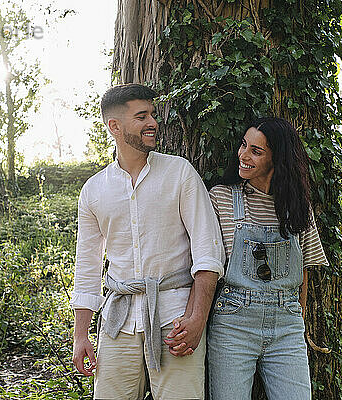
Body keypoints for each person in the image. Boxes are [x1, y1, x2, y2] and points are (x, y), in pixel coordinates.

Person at [70, 83, 225, 400]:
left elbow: (208, 254)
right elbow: (87, 268)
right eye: (141, 116)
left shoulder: (180, 173)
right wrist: (81, 334)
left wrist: (197, 320)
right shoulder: (94, 190)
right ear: (115, 126)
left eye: (153, 114)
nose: (153, 123)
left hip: (176, 319)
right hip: (118, 321)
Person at [207, 117, 328, 399]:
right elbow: (207, 267)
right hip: (232, 325)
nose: (243, 155)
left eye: (256, 151)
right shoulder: (221, 199)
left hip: (287, 326)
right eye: (243, 145)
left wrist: (298, 314)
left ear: (278, 159)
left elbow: (305, 269)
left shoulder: (298, 208)